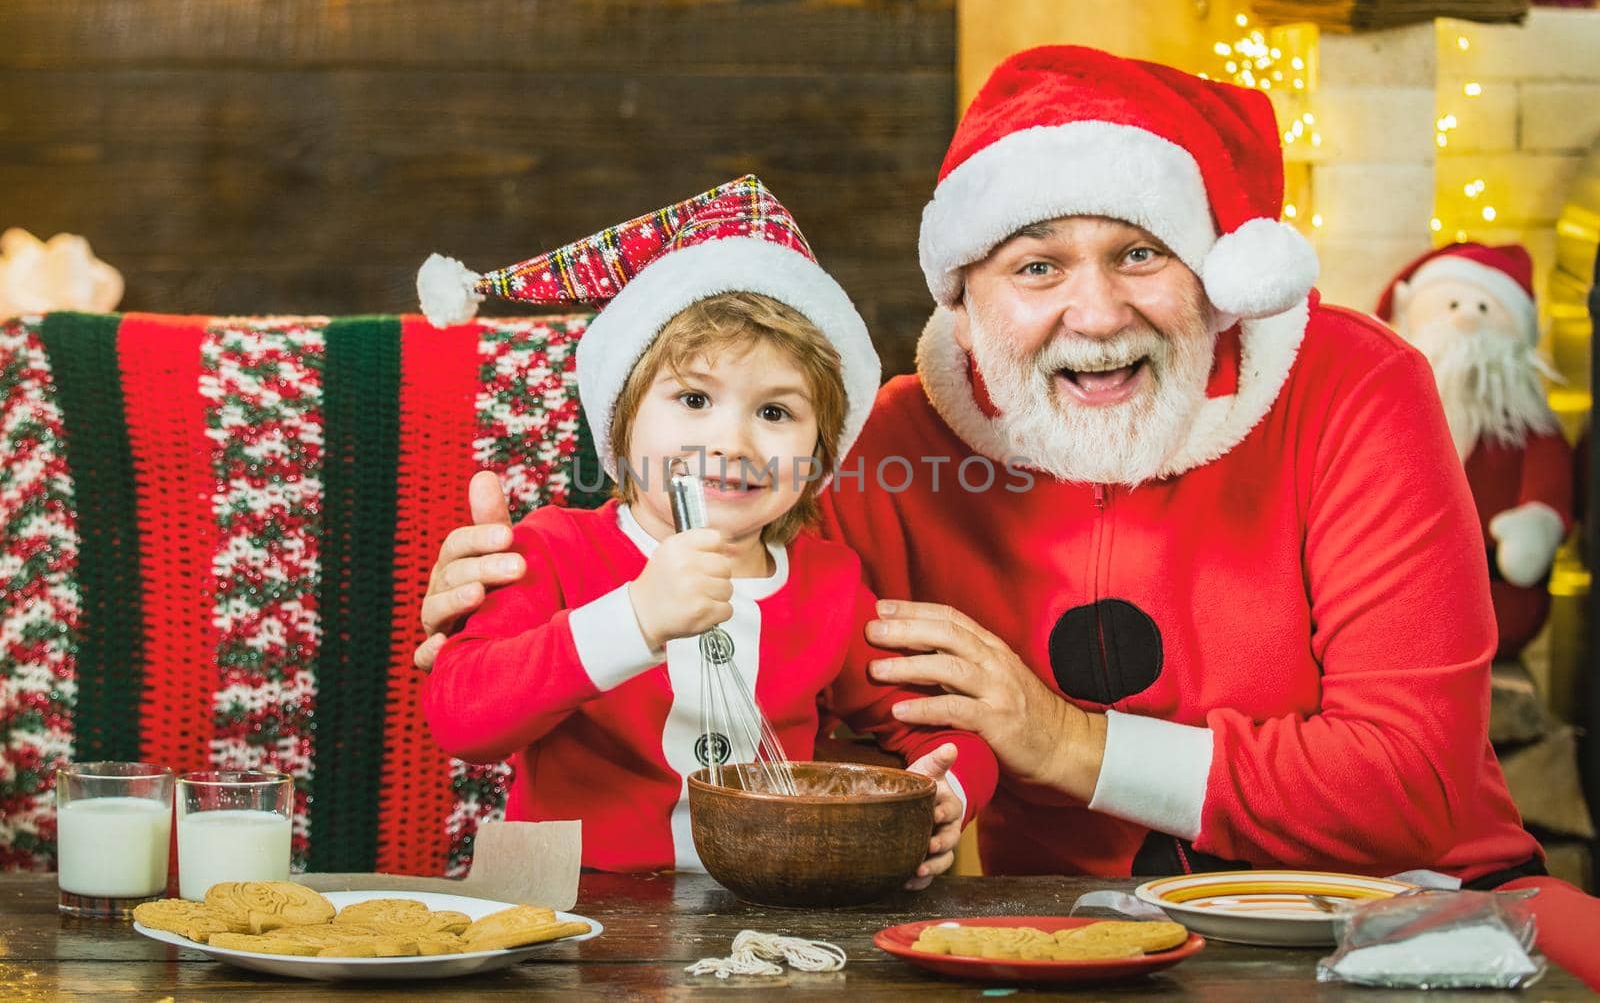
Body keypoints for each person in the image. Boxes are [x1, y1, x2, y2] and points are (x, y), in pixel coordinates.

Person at [417, 49, 1600, 986]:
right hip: (1081, 942)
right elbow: (844, 702)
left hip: (1416, 906)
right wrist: (521, 601)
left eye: (1140, 252)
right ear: (965, 291)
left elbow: (1405, 789)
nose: (1093, 312)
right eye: (1035, 266)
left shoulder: (1350, 386)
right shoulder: (896, 444)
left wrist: (1062, 742)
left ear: (1214, 272)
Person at [414, 176, 997, 882]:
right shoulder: (557, 551)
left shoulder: (828, 585)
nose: (732, 443)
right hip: (569, 907)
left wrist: (948, 793)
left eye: (776, 413)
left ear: (820, 452)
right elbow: (461, 717)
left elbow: (941, 728)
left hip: (762, 912)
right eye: (694, 398)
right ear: (621, 423)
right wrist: (634, 619)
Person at [1375, 242, 1574, 657]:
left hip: (1495, 602)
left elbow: (1550, 482)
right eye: (1450, 304)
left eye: (1484, 308)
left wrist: (1537, 523)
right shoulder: (1390, 418)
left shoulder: (1526, 430)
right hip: (1396, 599)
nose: (1465, 319)